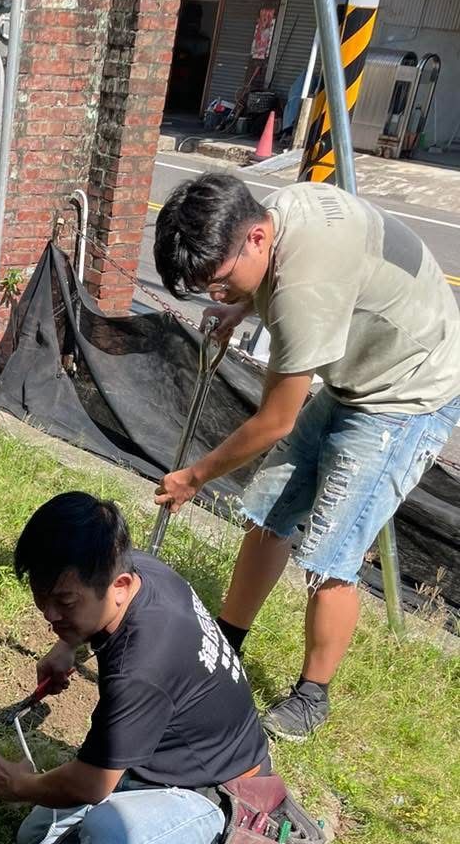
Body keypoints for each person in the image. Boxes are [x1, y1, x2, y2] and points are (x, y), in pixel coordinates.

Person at [152, 172, 460, 740]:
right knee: (270, 513)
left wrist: (193, 477)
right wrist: (238, 307)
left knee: (331, 555)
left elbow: (275, 420)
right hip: (357, 374)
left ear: (256, 241)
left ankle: (312, 697)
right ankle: (228, 645)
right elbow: (263, 283)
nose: (215, 297)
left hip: (407, 392)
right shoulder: (271, 213)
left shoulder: (302, 290)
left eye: (218, 285)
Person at [0, 492, 270, 844]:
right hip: (170, 758)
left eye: (65, 603)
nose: (50, 614)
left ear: (119, 585)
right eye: (43, 599)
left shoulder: (142, 667)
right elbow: (84, 614)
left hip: (221, 794)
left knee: (112, 833)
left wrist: (23, 786)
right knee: (37, 843)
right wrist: (67, 643)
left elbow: (91, 785)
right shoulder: (137, 569)